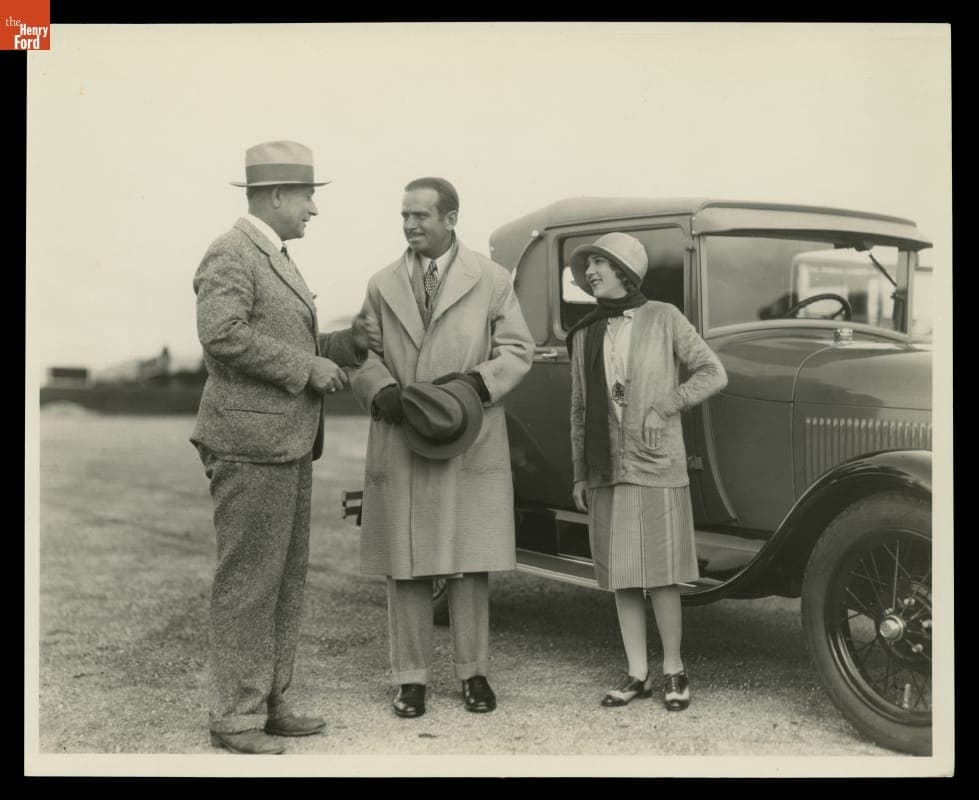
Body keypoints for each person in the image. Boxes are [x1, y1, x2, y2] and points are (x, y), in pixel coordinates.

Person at [191, 140, 379, 754]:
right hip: (249, 443)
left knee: (284, 579)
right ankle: (236, 717)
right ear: (274, 196)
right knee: (250, 580)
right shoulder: (231, 252)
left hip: (284, 442)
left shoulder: (275, 255)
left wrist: (347, 345)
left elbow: (284, 338)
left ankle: (269, 701)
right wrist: (306, 367)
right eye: (307, 198)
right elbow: (221, 335)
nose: (313, 211)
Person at [348, 177, 534, 719]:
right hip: (403, 434)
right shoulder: (382, 283)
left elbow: (518, 349)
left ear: (451, 218)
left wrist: (475, 386)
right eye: (404, 215)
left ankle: (474, 674)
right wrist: (382, 392)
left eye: (420, 216)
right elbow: (363, 351)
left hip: (467, 436)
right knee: (404, 565)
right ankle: (410, 679)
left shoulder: (493, 280)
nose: (409, 225)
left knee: (469, 559)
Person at [567, 232, 727, 711]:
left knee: (660, 575)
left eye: (599, 263)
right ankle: (637, 673)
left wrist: (666, 405)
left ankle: (674, 669)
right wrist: (579, 473)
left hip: (657, 466)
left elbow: (712, 372)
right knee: (623, 576)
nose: (590, 272)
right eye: (588, 264)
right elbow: (578, 409)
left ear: (625, 272)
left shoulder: (664, 317)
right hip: (605, 468)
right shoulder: (584, 332)